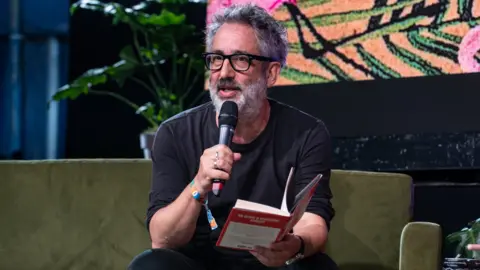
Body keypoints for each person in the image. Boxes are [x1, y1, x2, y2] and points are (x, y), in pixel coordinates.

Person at [128, 3, 338, 270]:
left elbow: (314, 219)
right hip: (198, 265)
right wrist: (199, 184)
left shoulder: (307, 133)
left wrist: (295, 245)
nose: (224, 73)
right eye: (216, 58)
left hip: (270, 265)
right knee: (151, 264)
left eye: (240, 60)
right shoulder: (175, 133)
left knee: (317, 266)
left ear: (271, 73)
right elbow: (162, 238)